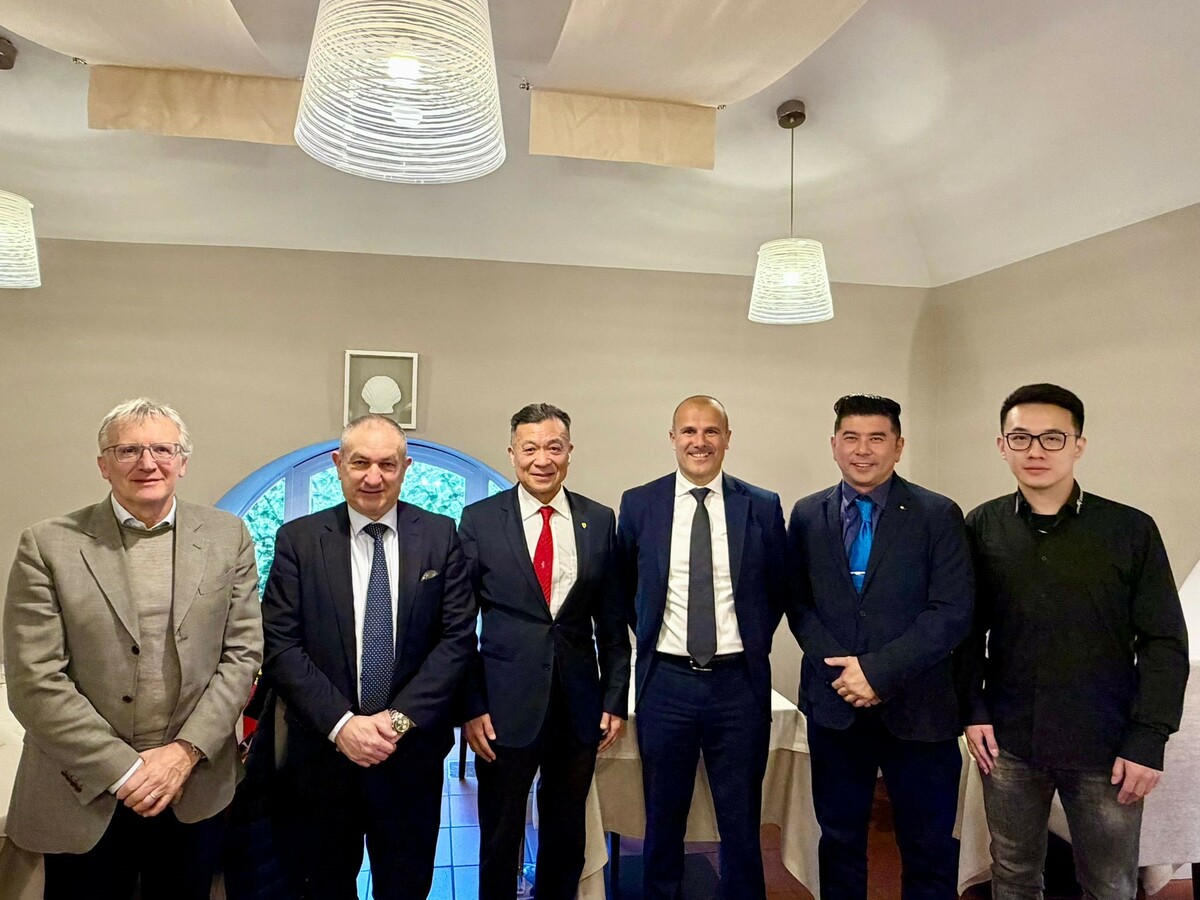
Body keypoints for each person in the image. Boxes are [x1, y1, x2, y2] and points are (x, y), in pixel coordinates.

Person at [3, 398, 263, 899]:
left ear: (182, 462)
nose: (148, 463)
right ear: (103, 464)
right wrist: (125, 771)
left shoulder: (227, 536)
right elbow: (35, 680)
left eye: (163, 449)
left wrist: (184, 754)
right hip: (82, 791)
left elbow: (242, 655)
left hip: (192, 787)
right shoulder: (47, 545)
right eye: (128, 450)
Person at [959, 383, 1189, 900]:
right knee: (1013, 876)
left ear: (1078, 445)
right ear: (1002, 446)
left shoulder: (1130, 530)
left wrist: (1148, 739)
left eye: (1053, 437)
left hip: (1105, 742)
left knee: (1110, 884)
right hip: (1010, 739)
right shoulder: (982, 526)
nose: (1035, 450)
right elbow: (967, 631)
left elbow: (1163, 642)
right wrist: (973, 709)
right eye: (1020, 437)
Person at [260, 414, 475, 899]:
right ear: (338, 464)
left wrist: (394, 723)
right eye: (360, 463)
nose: (373, 477)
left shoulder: (440, 535)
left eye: (387, 464)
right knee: (323, 887)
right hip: (322, 756)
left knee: (406, 887)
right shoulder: (299, 540)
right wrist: (343, 726)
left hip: (409, 757)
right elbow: (281, 645)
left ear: (406, 468)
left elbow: (457, 640)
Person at [787, 393, 972, 900]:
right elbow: (798, 605)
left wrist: (877, 673)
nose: (862, 450)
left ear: (898, 446)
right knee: (839, 841)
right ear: (834, 444)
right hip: (835, 708)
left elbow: (951, 611)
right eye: (851, 438)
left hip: (920, 708)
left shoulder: (938, 514)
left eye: (876, 438)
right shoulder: (807, 514)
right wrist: (845, 677)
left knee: (928, 847)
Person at [617, 395, 789, 900]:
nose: (700, 441)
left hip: (738, 687)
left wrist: (747, 643)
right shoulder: (639, 503)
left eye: (711, 431)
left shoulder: (762, 505)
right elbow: (626, 588)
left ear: (727, 439)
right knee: (662, 818)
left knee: (741, 821)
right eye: (689, 431)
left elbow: (778, 588)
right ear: (672, 438)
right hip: (665, 685)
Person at [460, 403, 630, 900]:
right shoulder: (480, 520)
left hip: (577, 707)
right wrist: (471, 706)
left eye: (554, 447)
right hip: (503, 709)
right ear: (512, 453)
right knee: (500, 834)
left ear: (569, 452)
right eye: (530, 448)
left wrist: (614, 698)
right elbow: (457, 626)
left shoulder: (599, 520)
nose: (542, 459)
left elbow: (612, 623)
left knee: (566, 832)